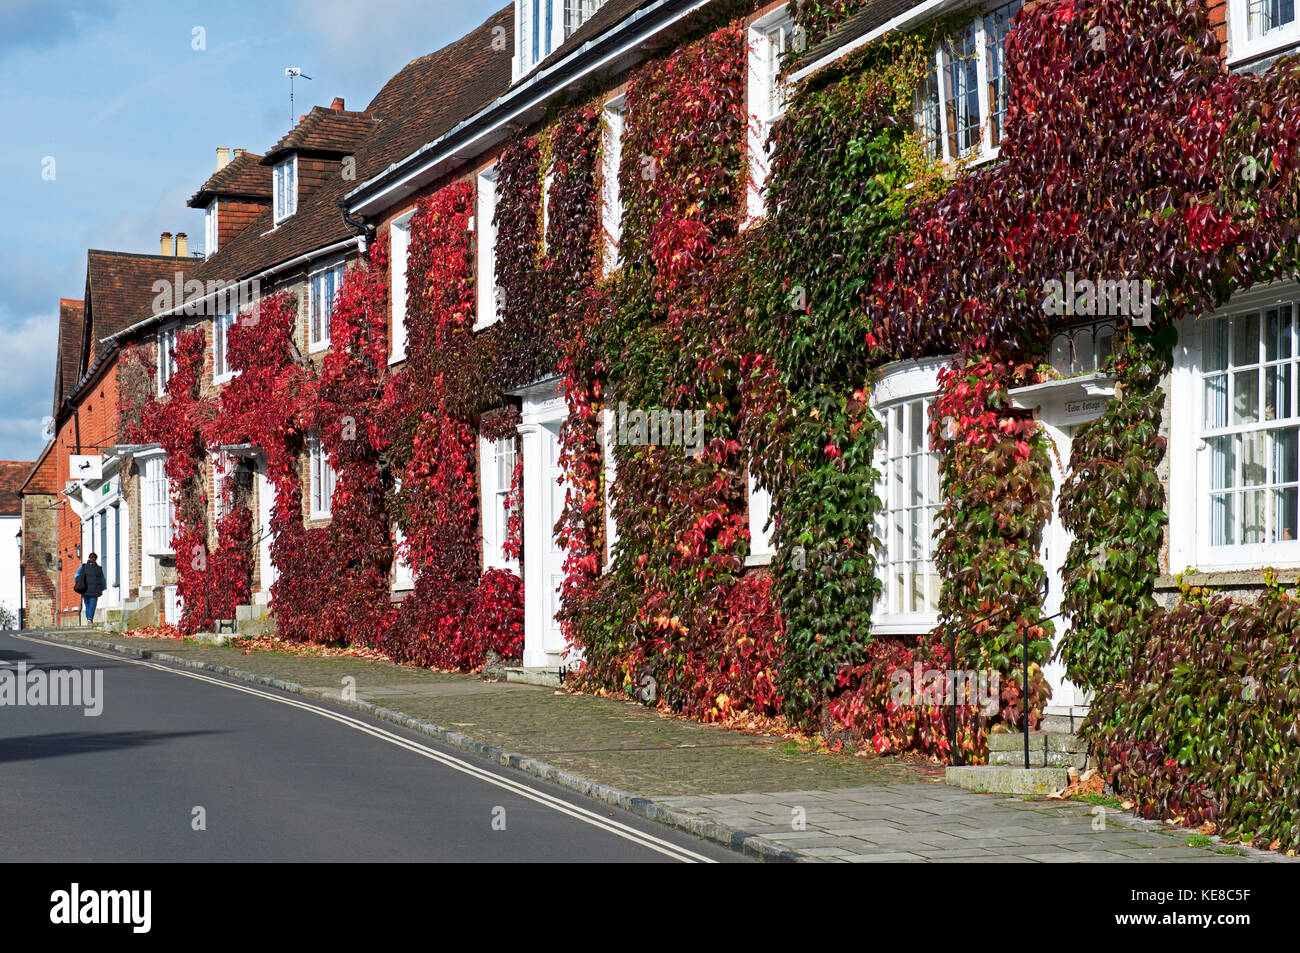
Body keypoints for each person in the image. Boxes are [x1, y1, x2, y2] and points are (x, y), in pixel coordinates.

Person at [74, 553, 107, 624]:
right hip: (95, 590)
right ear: (96, 559)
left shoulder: (83, 566)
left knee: (87, 605)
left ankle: (89, 619)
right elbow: (102, 580)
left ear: (88, 558)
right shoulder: (99, 569)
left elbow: (76, 576)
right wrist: (104, 587)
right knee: (93, 604)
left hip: (84, 589)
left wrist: (79, 582)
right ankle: (90, 619)